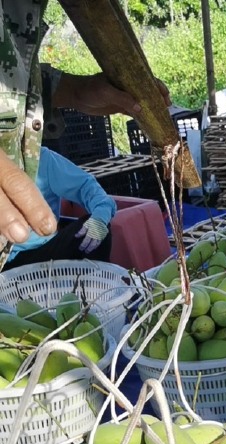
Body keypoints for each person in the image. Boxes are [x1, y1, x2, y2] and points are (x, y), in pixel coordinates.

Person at [0, 1, 170, 269]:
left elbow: (91, 191)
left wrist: (77, 90)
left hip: (42, 255)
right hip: (7, 263)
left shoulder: (45, 161)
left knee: (90, 236)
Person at [3, 147, 117, 269]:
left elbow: (87, 187)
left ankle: (96, 284)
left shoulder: (41, 158)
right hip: (6, 262)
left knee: (95, 231)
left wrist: (99, 218)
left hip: (46, 251)